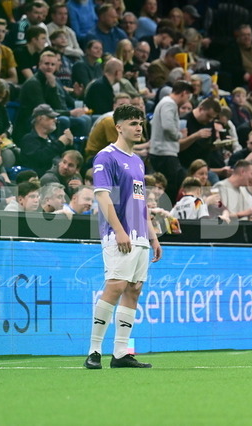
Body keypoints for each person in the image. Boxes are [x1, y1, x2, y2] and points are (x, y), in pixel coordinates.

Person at [84, 103, 161, 370]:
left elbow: (140, 202)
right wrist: (119, 230)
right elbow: (103, 196)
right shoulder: (106, 157)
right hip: (118, 234)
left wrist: (153, 236)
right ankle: (94, 351)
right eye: (133, 123)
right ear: (119, 127)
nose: (139, 128)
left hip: (139, 235)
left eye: (141, 123)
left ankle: (121, 353)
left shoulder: (138, 161)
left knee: (134, 290)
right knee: (115, 286)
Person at [148, 80, 195, 200]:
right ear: (184, 93)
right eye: (188, 97)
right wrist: (180, 135)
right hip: (164, 153)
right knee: (171, 187)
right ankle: (167, 208)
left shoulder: (166, 103)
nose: (187, 100)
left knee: (177, 181)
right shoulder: (169, 104)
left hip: (164, 152)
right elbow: (168, 126)